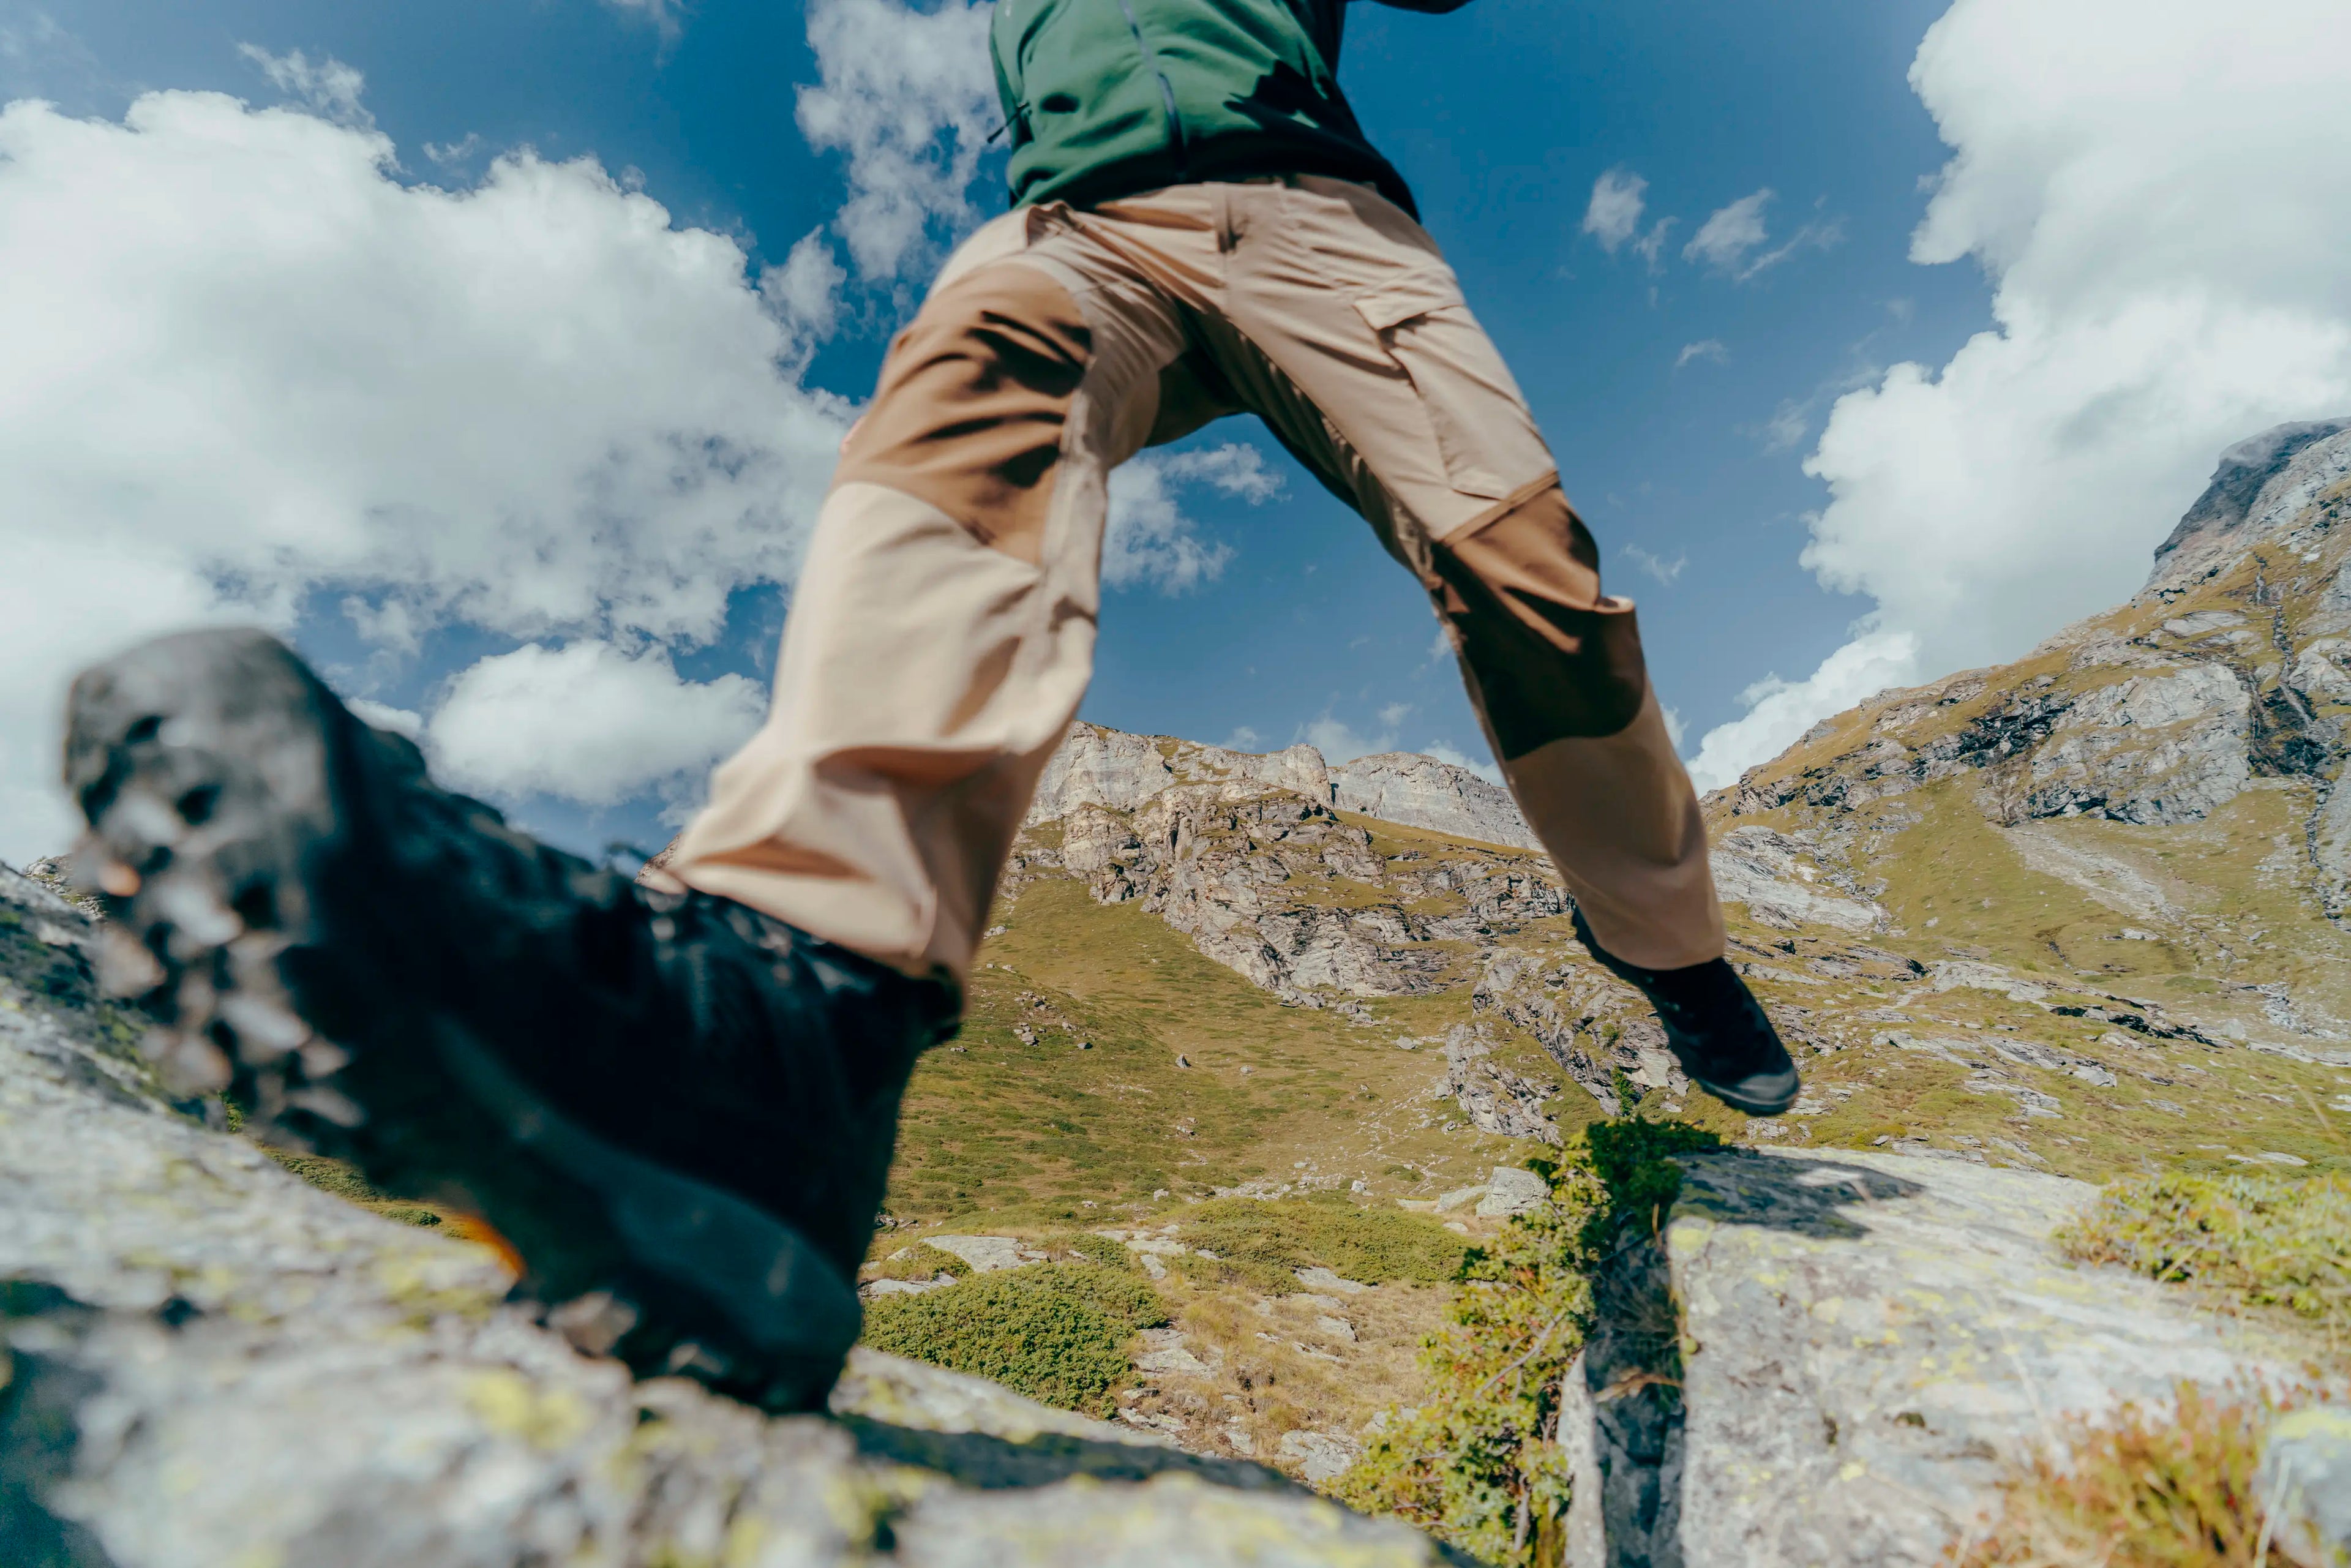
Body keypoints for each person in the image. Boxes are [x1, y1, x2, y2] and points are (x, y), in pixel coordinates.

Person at [59, 0, 1797, 1414]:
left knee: (1522, 565)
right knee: (962, 403)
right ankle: (791, 1038)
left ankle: (1667, 941)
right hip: (1081, 230)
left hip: (1311, 214)